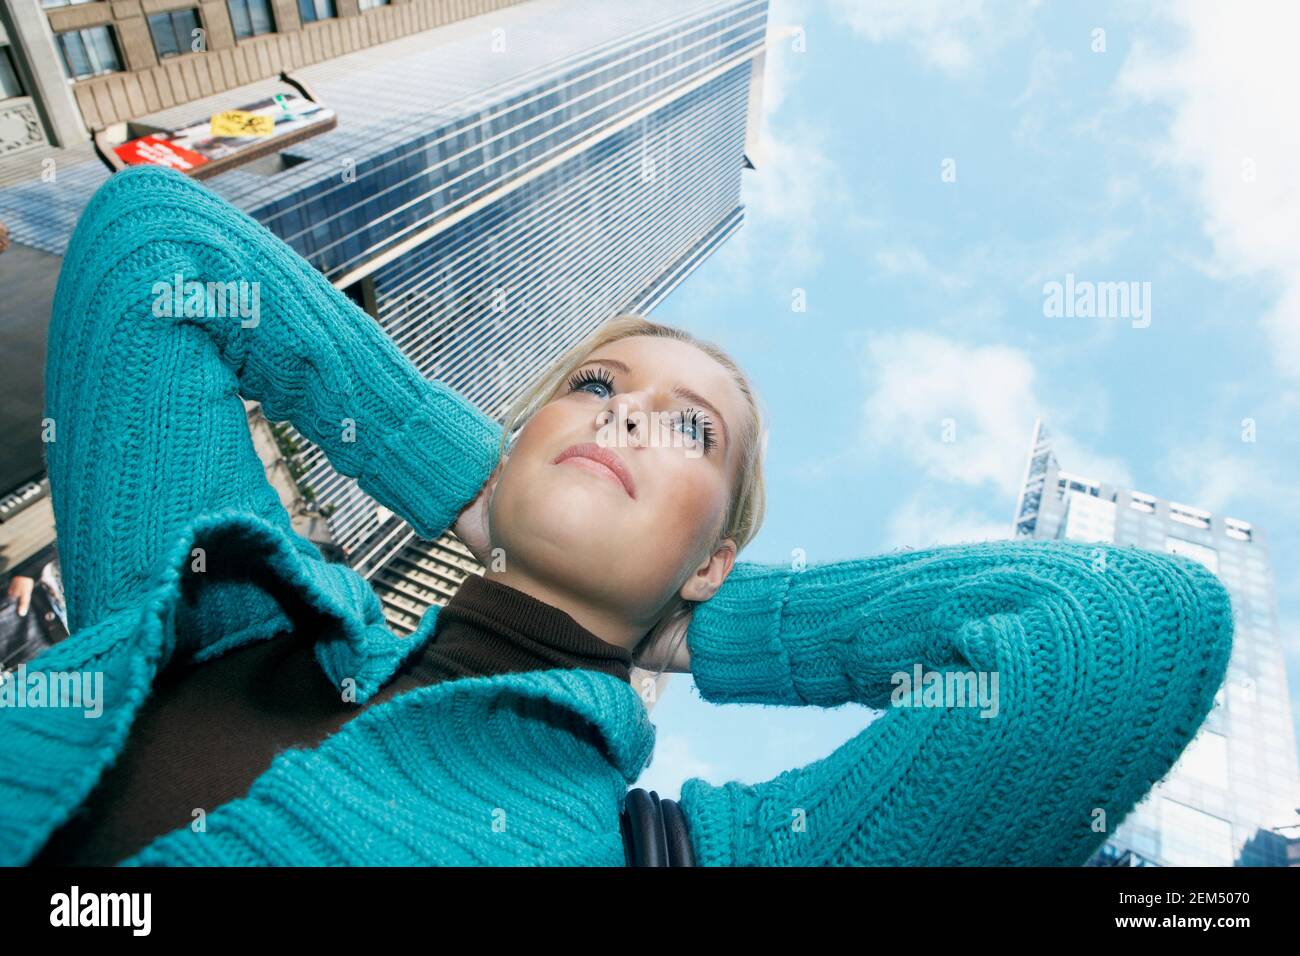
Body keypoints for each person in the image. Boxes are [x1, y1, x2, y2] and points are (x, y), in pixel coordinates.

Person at [0, 164, 1234, 867]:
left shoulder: (685, 857)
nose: (628, 415)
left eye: (690, 428)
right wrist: (471, 487)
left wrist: (698, 620)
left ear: (716, 559)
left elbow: (1124, 629)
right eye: (593, 386)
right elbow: (151, 246)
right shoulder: (214, 609)